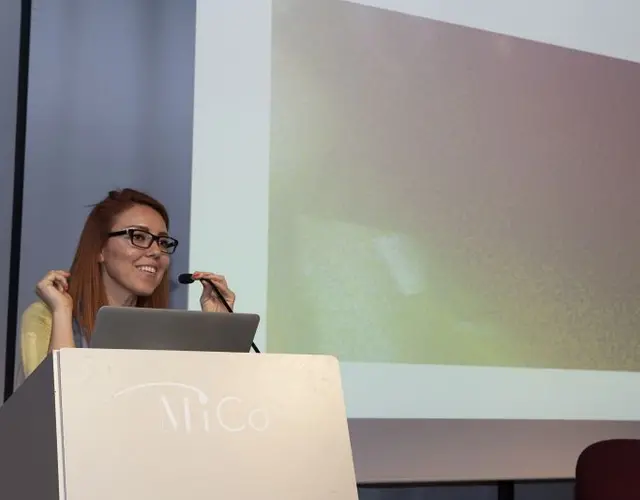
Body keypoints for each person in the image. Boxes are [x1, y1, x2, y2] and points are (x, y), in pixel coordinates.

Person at [19, 188, 235, 378]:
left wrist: (217, 327)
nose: (156, 251)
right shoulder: (46, 317)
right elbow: (55, 401)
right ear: (100, 249)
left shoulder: (166, 333)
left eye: (162, 242)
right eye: (138, 237)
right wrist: (62, 313)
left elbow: (206, 401)